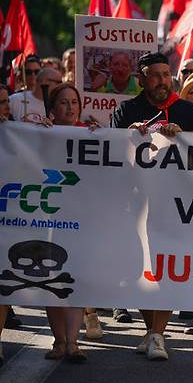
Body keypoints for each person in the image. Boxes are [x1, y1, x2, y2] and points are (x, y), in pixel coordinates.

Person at [111, 52, 193, 361]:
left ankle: (157, 333)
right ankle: (150, 328)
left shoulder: (186, 109)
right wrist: (129, 134)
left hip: (175, 204)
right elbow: (111, 147)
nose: (162, 81)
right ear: (141, 79)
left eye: (166, 74)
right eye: (155, 75)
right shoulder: (127, 110)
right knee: (141, 267)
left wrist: (185, 135)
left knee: (165, 265)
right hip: (136, 202)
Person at [41, 83, 102, 363]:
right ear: (53, 108)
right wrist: (38, 132)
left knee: (76, 279)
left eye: (74, 102)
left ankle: (74, 342)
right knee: (52, 279)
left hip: (82, 220)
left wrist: (102, 136)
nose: (70, 107)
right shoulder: (40, 133)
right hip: (50, 220)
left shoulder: (90, 134)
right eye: (64, 102)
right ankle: (59, 341)